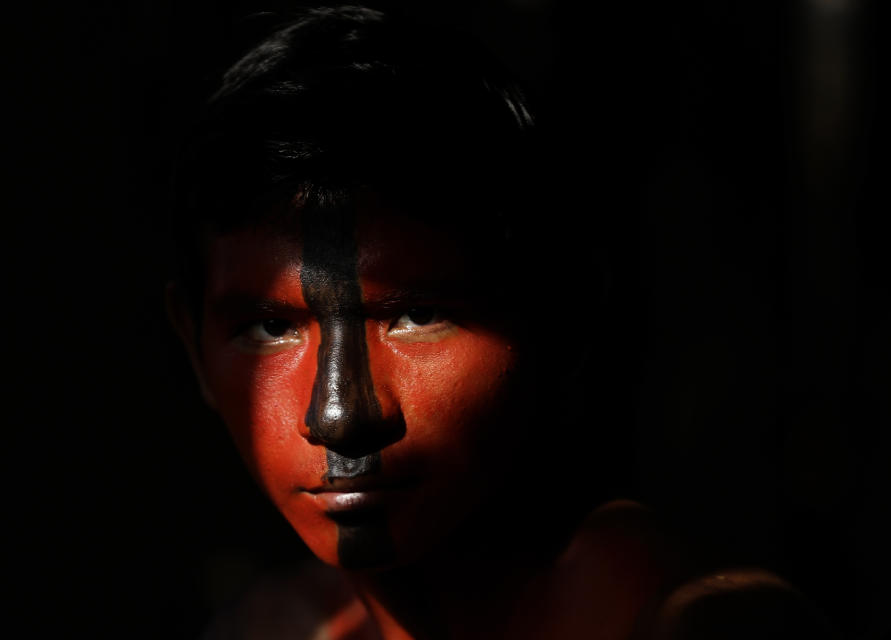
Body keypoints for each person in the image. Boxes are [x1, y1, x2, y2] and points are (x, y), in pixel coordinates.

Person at [167, 6, 836, 638]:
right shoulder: (277, 625)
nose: (339, 414)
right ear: (193, 348)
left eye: (419, 315)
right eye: (267, 329)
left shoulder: (683, 619)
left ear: (564, 313)